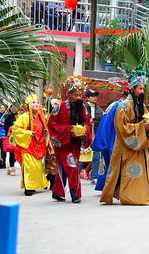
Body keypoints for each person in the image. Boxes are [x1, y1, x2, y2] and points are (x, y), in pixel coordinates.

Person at [100, 66, 149, 205]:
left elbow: (147, 117)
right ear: (132, 89)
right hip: (126, 144)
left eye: (143, 89)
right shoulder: (123, 106)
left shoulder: (141, 105)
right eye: (140, 89)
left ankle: (139, 195)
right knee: (125, 172)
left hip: (140, 142)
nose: (142, 91)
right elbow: (122, 127)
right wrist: (141, 127)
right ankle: (127, 196)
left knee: (138, 171)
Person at [48, 75, 92, 203]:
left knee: (63, 167)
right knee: (72, 166)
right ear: (69, 94)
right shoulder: (60, 107)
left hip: (76, 143)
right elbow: (51, 124)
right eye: (76, 95)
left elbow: (87, 123)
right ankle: (75, 193)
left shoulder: (83, 107)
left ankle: (57, 193)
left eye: (80, 95)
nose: (79, 98)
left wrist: (83, 131)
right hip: (63, 142)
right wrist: (69, 130)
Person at [12, 95, 49, 196]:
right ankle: (28, 188)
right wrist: (28, 133)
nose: (36, 104)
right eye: (33, 103)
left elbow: (44, 129)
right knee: (29, 167)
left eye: (37, 102)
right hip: (28, 145)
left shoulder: (41, 117)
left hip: (38, 145)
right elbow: (15, 129)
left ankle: (33, 186)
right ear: (28, 105)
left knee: (37, 167)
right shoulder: (24, 117)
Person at [84, 89, 103, 185]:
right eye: (93, 96)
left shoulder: (100, 110)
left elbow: (102, 124)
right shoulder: (82, 108)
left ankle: (94, 177)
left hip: (95, 136)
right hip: (84, 137)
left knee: (96, 156)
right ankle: (74, 174)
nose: (95, 98)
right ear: (87, 98)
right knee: (81, 157)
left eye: (96, 96)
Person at [4, 105, 17, 176]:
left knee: (17, 153)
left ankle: (11, 166)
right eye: (12, 108)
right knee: (12, 153)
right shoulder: (8, 117)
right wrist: (11, 127)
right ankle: (12, 168)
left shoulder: (20, 116)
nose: (14, 109)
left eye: (15, 108)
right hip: (11, 137)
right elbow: (5, 127)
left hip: (19, 136)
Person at [0, 105, 8, 169]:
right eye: (0, 108)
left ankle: (3, 163)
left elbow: (6, 125)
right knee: (1, 149)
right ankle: (2, 163)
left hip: (4, 134)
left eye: (2, 108)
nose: (1, 109)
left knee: (4, 149)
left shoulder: (7, 116)